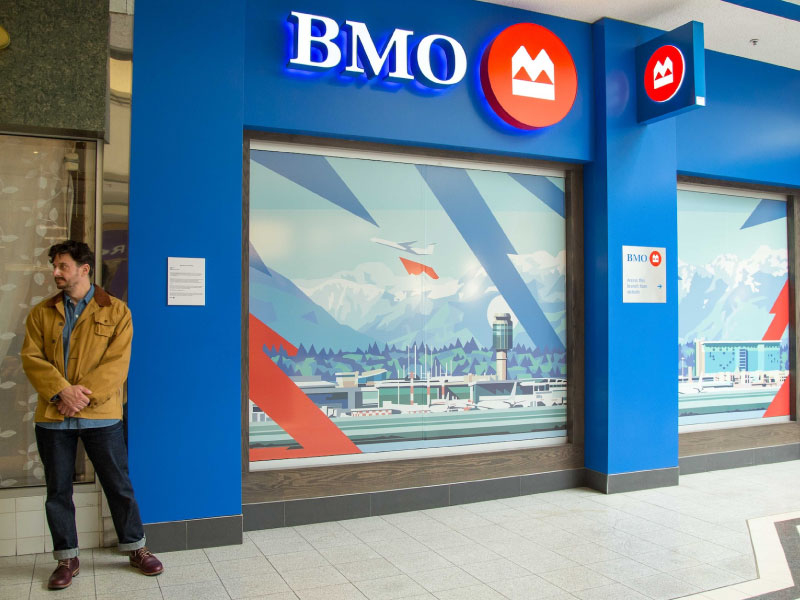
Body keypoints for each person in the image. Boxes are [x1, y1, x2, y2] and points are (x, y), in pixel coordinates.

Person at [21, 241, 163, 590]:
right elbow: (31, 358)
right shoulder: (41, 312)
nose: (56, 271)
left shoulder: (117, 312)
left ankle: (136, 548)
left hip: (102, 416)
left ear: (85, 269)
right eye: (54, 265)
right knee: (58, 490)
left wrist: (78, 397)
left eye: (63, 266)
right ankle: (67, 559)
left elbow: (117, 366)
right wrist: (61, 392)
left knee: (118, 484)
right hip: (54, 417)